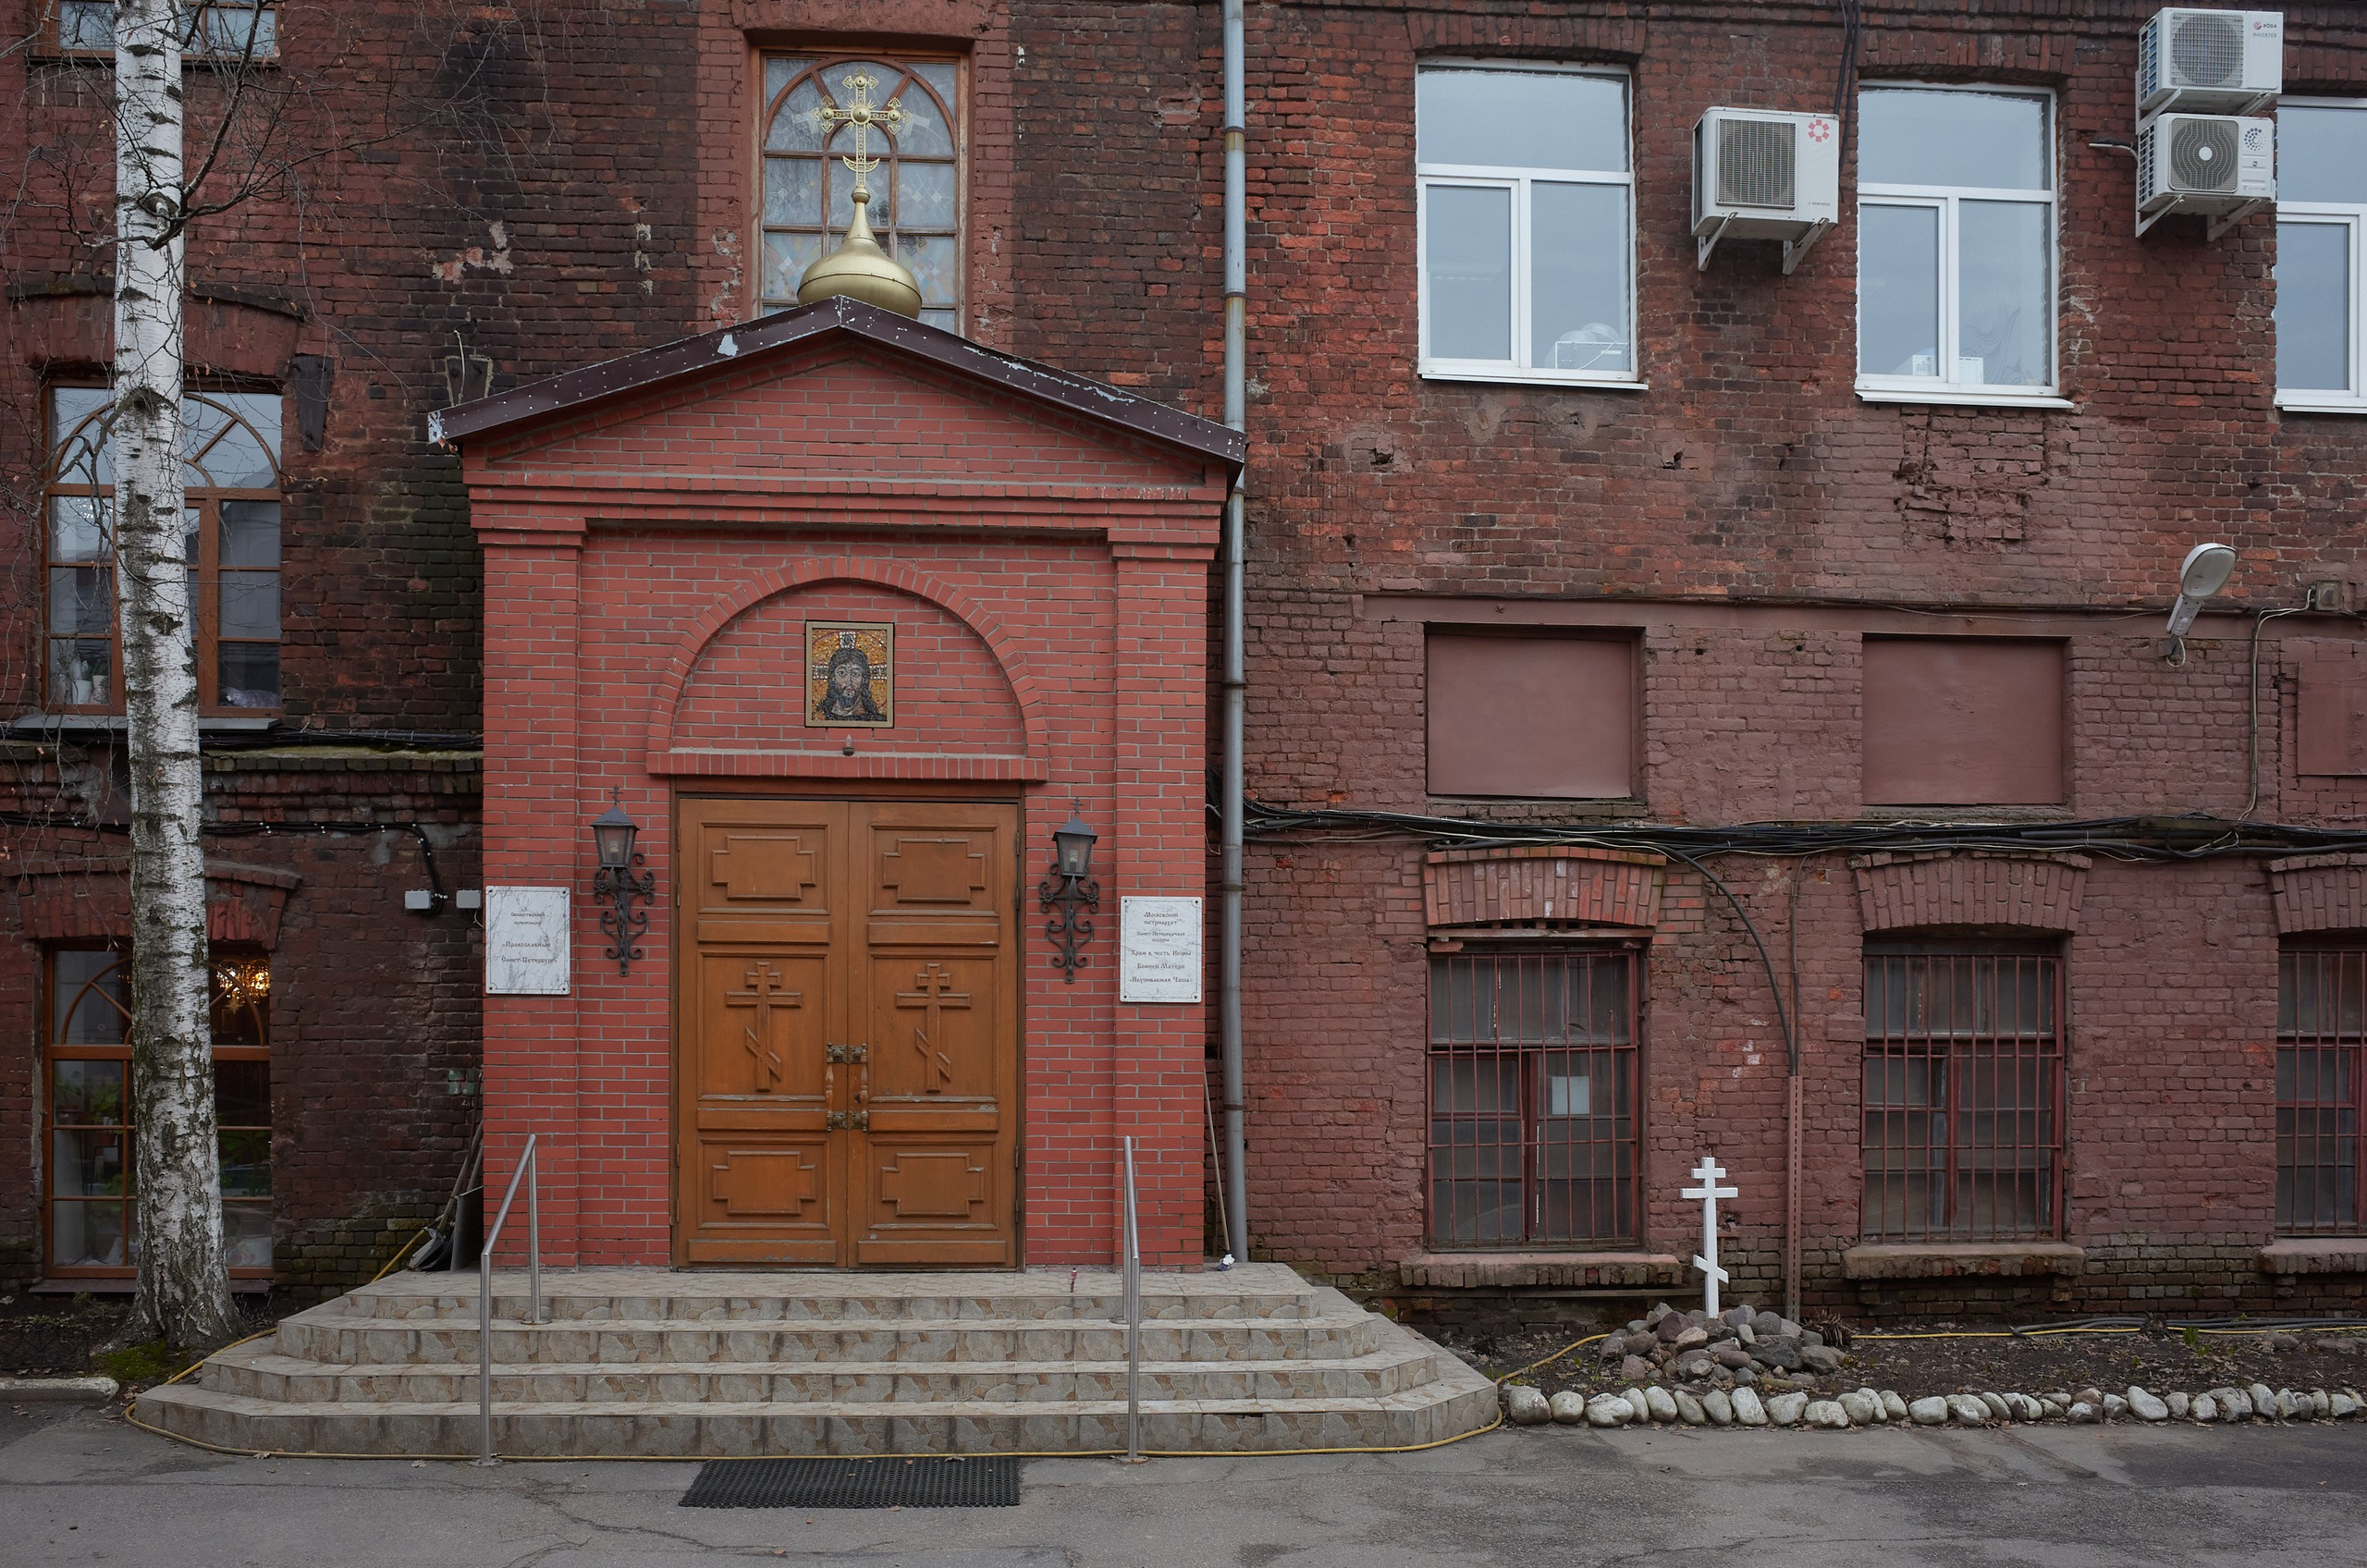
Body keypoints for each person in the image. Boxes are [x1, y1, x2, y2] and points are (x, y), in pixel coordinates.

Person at [816, 642, 888, 722]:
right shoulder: (819, 717)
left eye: (855, 674)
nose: (849, 681)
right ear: (833, 678)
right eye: (842, 673)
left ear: (864, 679)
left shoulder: (877, 720)